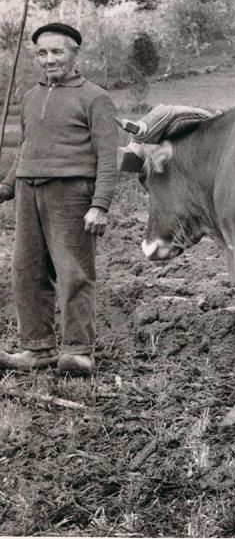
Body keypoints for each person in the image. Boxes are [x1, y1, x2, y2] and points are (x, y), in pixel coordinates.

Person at [0, 22, 119, 377]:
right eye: (41, 53)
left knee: (74, 273)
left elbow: (108, 156)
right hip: (28, 191)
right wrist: (6, 186)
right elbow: (25, 149)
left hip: (71, 194)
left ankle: (78, 351)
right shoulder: (31, 95)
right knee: (26, 271)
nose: (49, 59)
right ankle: (37, 348)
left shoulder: (94, 97)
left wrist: (100, 204)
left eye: (57, 52)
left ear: (74, 54)